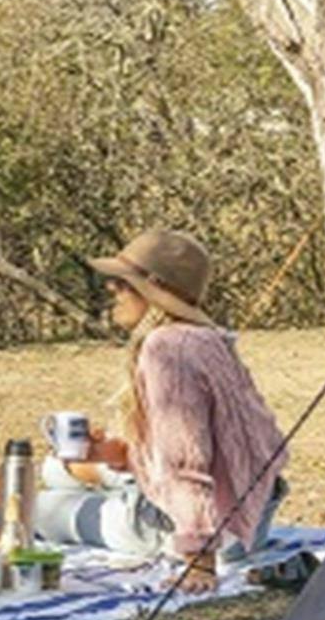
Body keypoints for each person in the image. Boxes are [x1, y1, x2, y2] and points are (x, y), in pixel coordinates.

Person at [32, 228, 289, 592]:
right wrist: (114, 454)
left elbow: (186, 460)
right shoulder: (205, 339)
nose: (111, 290)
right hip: (251, 506)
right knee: (53, 468)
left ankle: (168, 529)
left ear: (152, 289)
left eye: (122, 283)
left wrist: (199, 560)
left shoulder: (168, 349)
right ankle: (112, 484)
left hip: (211, 529)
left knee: (37, 507)